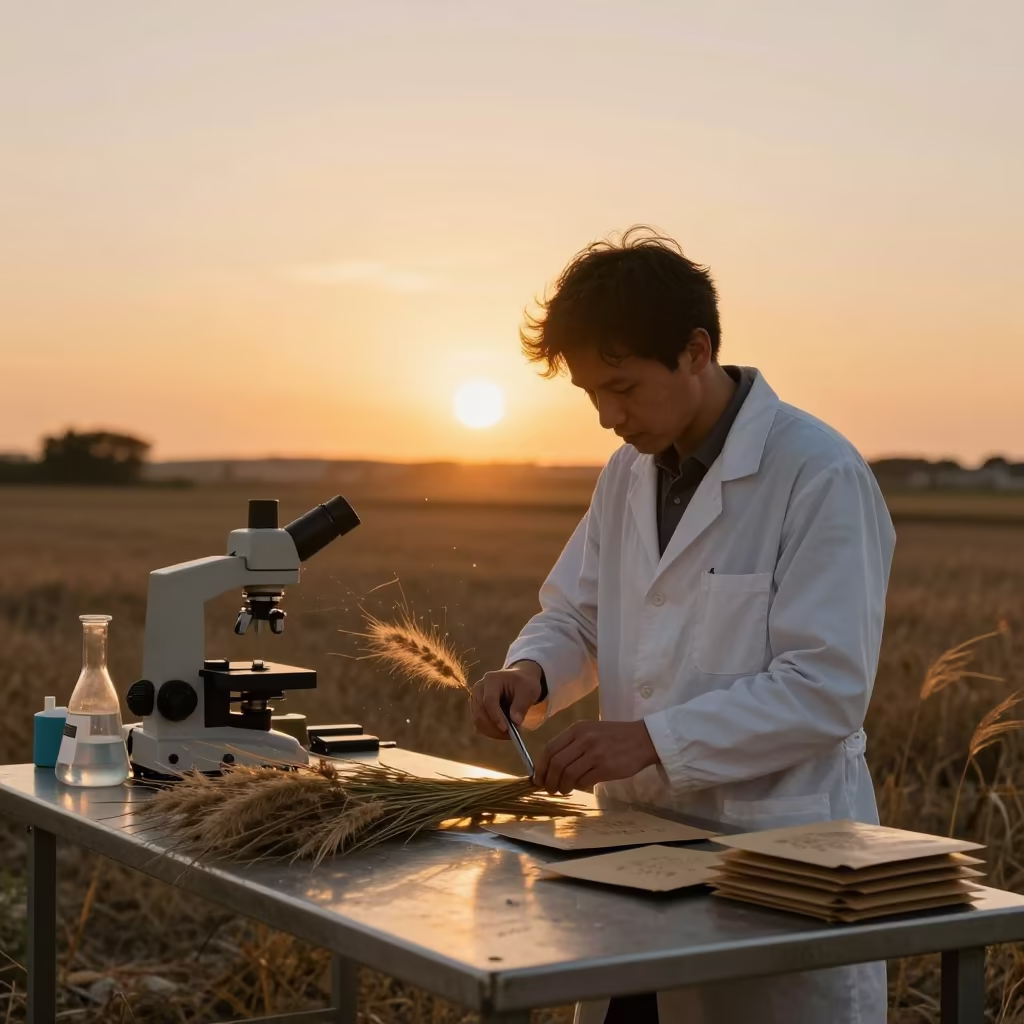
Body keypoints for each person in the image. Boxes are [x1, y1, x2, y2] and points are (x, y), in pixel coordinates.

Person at [470, 227, 895, 1024]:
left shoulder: (818, 473)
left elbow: (825, 687)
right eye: (592, 393)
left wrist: (653, 739)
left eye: (623, 387)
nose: (607, 416)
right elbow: (579, 615)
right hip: (631, 860)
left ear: (696, 351)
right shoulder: (627, 474)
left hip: (772, 864)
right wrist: (532, 671)